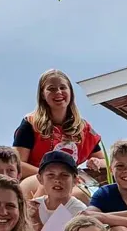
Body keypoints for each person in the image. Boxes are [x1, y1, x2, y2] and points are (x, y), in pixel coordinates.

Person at [13, 69, 104, 199]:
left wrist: (97, 162)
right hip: (35, 179)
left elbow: (106, 161)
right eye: (52, 89)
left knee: (84, 195)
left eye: (63, 87)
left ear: (71, 93)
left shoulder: (82, 128)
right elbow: (17, 164)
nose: (59, 92)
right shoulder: (31, 124)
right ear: (43, 95)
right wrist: (51, 175)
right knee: (57, 189)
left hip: (70, 182)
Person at [32, 151, 87, 231]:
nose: (57, 180)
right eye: (51, 175)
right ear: (40, 179)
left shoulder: (78, 211)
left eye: (64, 175)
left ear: (75, 180)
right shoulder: (33, 206)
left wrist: (35, 219)